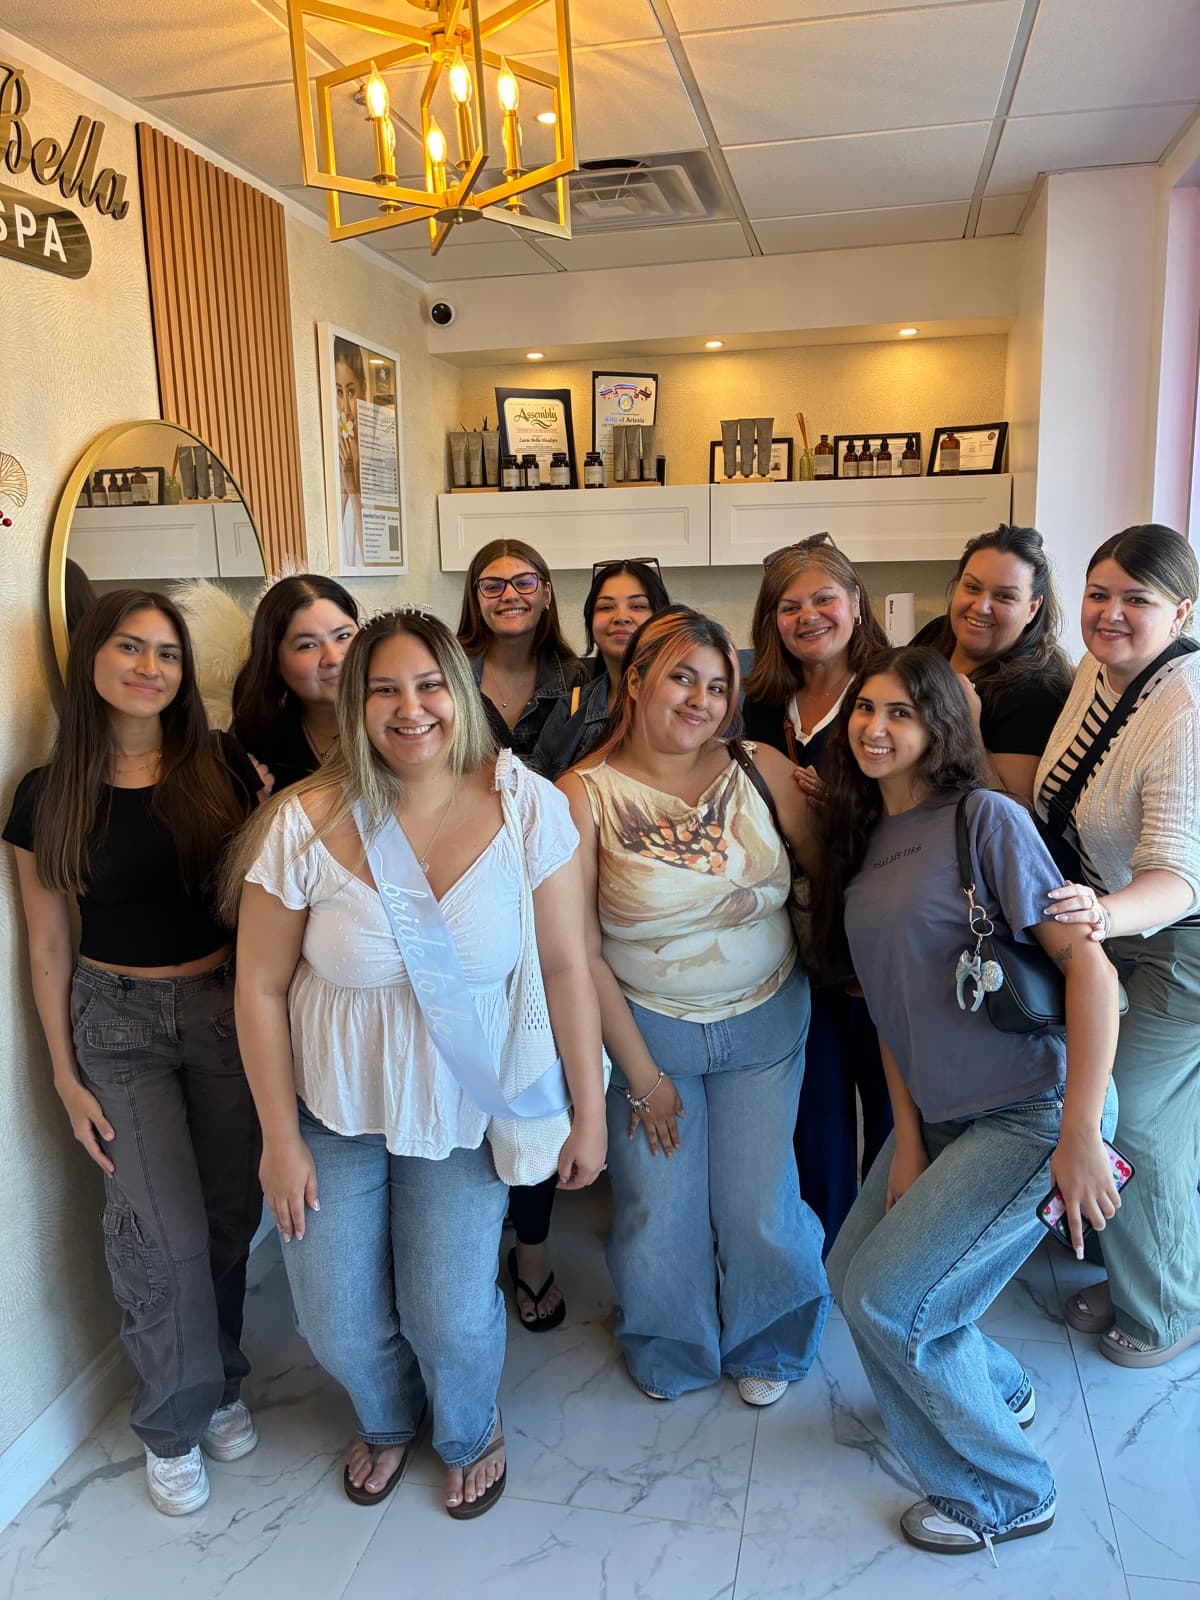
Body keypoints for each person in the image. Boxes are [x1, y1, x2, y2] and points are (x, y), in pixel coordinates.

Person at [229, 609, 606, 1518]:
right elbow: (259, 989)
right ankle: (389, 1414)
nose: (411, 709)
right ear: (355, 703)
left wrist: (588, 1112)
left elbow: (565, 966)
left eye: (430, 684)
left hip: (462, 1110)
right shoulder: (302, 822)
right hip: (329, 1107)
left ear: (463, 691)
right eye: (383, 689)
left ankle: (470, 1427)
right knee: (335, 1319)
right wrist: (279, 1137)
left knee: (450, 1310)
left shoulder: (528, 807)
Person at [818, 645, 1121, 1558]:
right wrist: (905, 1141)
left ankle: (1006, 1493)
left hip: (1033, 1109)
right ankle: (1003, 1392)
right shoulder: (866, 845)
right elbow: (894, 1012)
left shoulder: (984, 819)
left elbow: (1091, 973)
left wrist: (1078, 1137)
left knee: (888, 1301)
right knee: (850, 1271)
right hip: (945, 1116)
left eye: (900, 713)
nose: (875, 727)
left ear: (939, 723)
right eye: (865, 709)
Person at [4, 589, 264, 1518]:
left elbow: (263, 900)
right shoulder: (45, 794)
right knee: (160, 1235)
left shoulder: (223, 765)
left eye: (168, 653)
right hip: (114, 1024)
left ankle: (224, 1377)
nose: (151, 668)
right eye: (131, 647)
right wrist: (63, 1078)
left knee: (230, 1218)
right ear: (92, 660)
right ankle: (171, 1419)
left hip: (226, 1012)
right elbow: (43, 944)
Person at [560, 606, 830, 1405]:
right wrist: (640, 1075)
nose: (699, 700)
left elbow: (823, 878)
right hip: (647, 1030)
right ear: (636, 680)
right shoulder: (581, 794)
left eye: (717, 686)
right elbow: (576, 953)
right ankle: (669, 1343)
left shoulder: (762, 767)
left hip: (768, 1020)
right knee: (656, 1210)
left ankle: (770, 1340)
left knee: (758, 1200)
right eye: (681, 676)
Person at [1035, 524, 1200, 1368]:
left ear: (1181, 609)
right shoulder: (1101, 677)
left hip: (1181, 939)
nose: (1110, 613)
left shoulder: (1184, 703)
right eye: (1099, 593)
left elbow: (1178, 878)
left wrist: (1100, 914)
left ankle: (1167, 1308)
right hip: (1127, 925)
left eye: (1136, 599)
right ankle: (1145, 1274)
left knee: (1131, 1117)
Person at [740, 534, 892, 1249]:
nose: (808, 617)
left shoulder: (890, 691)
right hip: (793, 938)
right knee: (817, 1105)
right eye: (788, 606)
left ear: (855, 602)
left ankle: (895, 1252)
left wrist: (837, 804)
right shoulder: (762, 707)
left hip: (880, 936)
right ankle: (827, 1251)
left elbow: (933, 803)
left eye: (823, 599)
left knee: (893, 1108)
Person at [915, 524, 1073, 805]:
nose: (980, 606)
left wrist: (969, 727)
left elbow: (1014, 813)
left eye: (1004, 596)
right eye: (972, 587)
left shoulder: (1038, 691)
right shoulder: (934, 636)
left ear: (1033, 608)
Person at [532, 558, 671, 782]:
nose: (621, 617)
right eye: (606, 607)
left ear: (663, 619)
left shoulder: (693, 703)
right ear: (590, 622)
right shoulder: (572, 709)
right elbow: (537, 795)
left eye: (638, 606)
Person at [456, 538, 589, 759]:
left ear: (546, 594)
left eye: (524, 583)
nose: (509, 596)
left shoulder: (573, 678)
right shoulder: (448, 671)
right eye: (492, 587)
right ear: (476, 601)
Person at [231, 574, 360, 792]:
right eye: (308, 645)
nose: (334, 658)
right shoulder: (258, 745)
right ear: (274, 662)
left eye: (343, 636)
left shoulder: (397, 725)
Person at [334, 337, 366, 568]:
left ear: (363, 388)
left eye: (351, 391)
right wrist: (346, 487)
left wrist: (353, 489)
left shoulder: (372, 455)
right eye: (338, 392)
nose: (345, 406)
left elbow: (369, 557)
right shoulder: (336, 450)